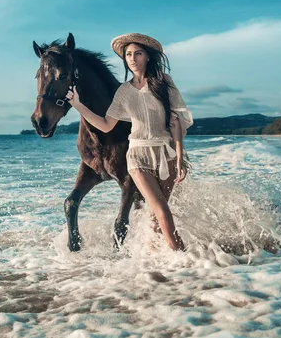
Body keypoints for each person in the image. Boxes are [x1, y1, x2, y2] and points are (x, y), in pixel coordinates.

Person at [65, 33, 193, 251]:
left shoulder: (164, 83)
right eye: (128, 54)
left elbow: (177, 123)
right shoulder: (123, 92)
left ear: (148, 57)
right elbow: (106, 124)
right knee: (162, 209)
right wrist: (78, 105)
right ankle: (183, 257)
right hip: (137, 156)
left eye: (138, 53)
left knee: (154, 215)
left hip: (166, 154)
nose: (132, 58)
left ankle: (150, 258)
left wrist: (180, 158)